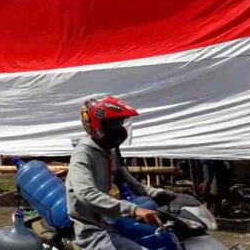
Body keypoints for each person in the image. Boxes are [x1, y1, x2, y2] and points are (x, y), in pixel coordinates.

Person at [66, 96, 179, 250]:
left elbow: (135, 185)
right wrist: (133, 210)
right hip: (92, 231)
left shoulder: (109, 152)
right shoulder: (83, 154)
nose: (120, 129)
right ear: (96, 126)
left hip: (111, 221)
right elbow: (86, 193)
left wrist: (163, 194)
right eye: (114, 124)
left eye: (121, 123)